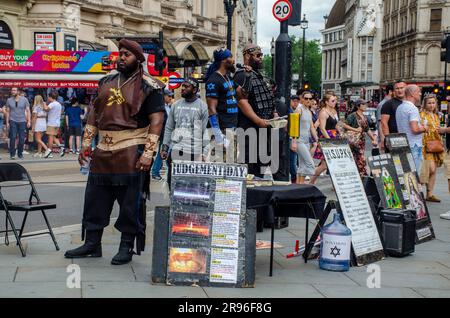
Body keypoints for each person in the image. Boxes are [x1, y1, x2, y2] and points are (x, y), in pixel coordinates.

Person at [64, 39, 165, 265]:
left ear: (138, 59)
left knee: (131, 203)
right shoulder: (105, 81)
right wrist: (86, 144)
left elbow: (157, 120)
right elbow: (93, 113)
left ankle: (126, 246)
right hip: (102, 151)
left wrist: (149, 153)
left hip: (131, 149)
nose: (121, 57)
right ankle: (92, 244)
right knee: (94, 199)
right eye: (120, 53)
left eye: (126, 54)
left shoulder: (151, 85)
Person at [234, 43, 277, 177]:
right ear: (247, 56)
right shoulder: (241, 75)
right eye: (258, 55)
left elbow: (268, 96)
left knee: (262, 167)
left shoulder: (258, 75)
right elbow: (242, 101)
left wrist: (274, 114)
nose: (261, 58)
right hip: (249, 130)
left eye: (261, 55)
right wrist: (258, 121)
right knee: (250, 170)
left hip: (263, 130)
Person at [160, 78, 209, 187]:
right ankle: (173, 203)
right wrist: (164, 147)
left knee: (191, 183)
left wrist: (203, 152)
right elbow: (168, 128)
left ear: (195, 90)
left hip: (194, 152)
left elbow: (204, 131)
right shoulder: (175, 105)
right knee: (173, 181)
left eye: (186, 86)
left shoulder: (202, 106)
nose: (182, 88)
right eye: (182, 86)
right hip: (176, 150)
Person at [205, 48, 243, 160]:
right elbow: (211, 109)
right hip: (221, 130)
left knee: (231, 163)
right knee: (220, 164)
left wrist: (246, 73)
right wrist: (217, 134)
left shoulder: (228, 78)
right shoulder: (213, 80)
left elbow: (243, 93)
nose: (233, 60)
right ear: (223, 61)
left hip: (231, 128)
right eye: (230, 57)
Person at [419, 95, 445, 202]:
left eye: (433, 103)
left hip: (436, 145)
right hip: (426, 145)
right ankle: (419, 191)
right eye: (429, 103)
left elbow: (439, 128)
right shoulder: (421, 115)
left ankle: (429, 194)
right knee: (429, 169)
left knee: (433, 171)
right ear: (424, 104)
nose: (431, 105)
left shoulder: (436, 116)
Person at [395, 85, 427, 172]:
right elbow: (415, 129)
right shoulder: (413, 109)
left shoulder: (400, 107)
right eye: (418, 91)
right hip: (414, 145)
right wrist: (424, 128)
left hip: (403, 143)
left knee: (406, 174)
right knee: (415, 175)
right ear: (412, 94)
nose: (420, 94)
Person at [310, 92, 340, 184]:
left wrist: (341, 133)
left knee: (334, 164)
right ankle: (311, 182)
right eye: (333, 101)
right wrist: (330, 140)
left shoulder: (334, 111)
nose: (335, 102)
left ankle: (337, 185)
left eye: (335, 100)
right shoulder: (323, 112)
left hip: (335, 136)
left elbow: (336, 125)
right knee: (324, 165)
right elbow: (322, 129)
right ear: (327, 102)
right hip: (327, 137)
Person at [343, 99, 377, 176]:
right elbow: (344, 125)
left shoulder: (364, 117)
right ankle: (363, 175)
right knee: (360, 158)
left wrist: (373, 139)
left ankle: (358, 175)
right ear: (358, 106)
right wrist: (355, 129)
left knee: (357, 158)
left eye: (365, 104)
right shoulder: (352, 115)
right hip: (353, 141)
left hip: (361, 141)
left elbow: (367, 129)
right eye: (363, 104)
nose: (365, 106)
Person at [290, 91, 318, 184]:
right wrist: (294, 142)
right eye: (306, 98)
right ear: (302, 99)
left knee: (302, 166)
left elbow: (312, 127)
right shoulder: (299, 109)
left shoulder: (309, 111)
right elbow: (294, 126)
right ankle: (309, 184)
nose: (308, 100)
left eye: (310, 98)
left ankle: (299, 188)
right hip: (299, 141)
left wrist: (317, 140)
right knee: (310, 164)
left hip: (306, 141)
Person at [151, 88, 173, 180]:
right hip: (163, 134)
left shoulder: (168, 107)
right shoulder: (160, 108)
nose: (171, 98)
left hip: (168, 134)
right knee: (163, 152)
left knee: (166, 153)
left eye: (171, 96)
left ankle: (157, 171)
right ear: (163, 96)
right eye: (169, 96)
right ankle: (155, 172)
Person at [4, 87, 31, 159]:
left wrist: (29, 121)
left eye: (14, 90)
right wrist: (7, 122)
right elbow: (8, 112)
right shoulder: (9, 100)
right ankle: (12, 154)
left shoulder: (24, 99)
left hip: (22, 121)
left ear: (18, 92)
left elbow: (28, 111)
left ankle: (20, 153)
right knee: (12, 137)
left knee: (22, 139)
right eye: (12, 90)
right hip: (13, 120)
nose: (13, 91)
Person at [380, 81, 406, 150]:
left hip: (407, 138)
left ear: (405, 89)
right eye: (397, 88)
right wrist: (387, 139)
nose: (400, 90)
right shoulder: (388, 104)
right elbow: (383, 122)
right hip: (394, 139)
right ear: (394, 91)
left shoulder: (408, 103)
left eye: (401, 88)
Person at [43, 92, 65, 158]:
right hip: (57, 123)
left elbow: (46, 109)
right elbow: (61, 112)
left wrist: (44, 104)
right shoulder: (59, 104)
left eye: (48, 97)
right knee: (53, 136)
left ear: (50, 97)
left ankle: (49, 150)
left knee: (50, 137)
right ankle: (61, 147)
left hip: (51, 123)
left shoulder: (52, 104)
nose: (48, 98)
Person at [289, 95, 300, 182]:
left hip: (293, 137)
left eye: (297, 101)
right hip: (291, 138)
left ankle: (294, 178)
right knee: (292, 160)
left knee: (293, 159)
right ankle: (294, 178)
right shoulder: (290, 111)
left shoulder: (294, 111)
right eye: (294, 101)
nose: (296, 103)